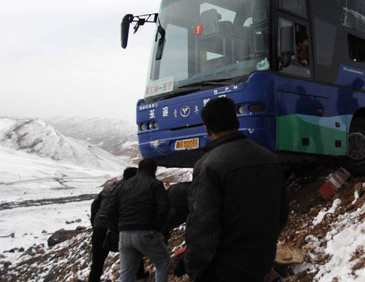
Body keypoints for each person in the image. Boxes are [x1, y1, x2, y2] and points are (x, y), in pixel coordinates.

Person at [185, 97, 289, 282]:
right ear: (237, 121)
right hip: (261, 262)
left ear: (207, 129)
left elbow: (202, 227)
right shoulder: (269, 158)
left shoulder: (208, 165)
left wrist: (194, 269)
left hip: (225, 269)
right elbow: (282, 213)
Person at [107, 159, 171, 282]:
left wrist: (117, 229)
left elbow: (111, 209)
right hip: (147, 231)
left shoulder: (123, 185)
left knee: (126, 274)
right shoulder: (155, 184)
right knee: (163, 262)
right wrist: (157, 227)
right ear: (154, 169)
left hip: (124, 234)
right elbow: (164, 207)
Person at [89, 167, 137, 282]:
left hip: (100, 226)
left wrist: (94, 223)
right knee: (132, 253)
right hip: (118, 227)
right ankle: (138, 275)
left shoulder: (109, 187)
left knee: (97, 260)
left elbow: (95, 205)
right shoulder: (130, 189)